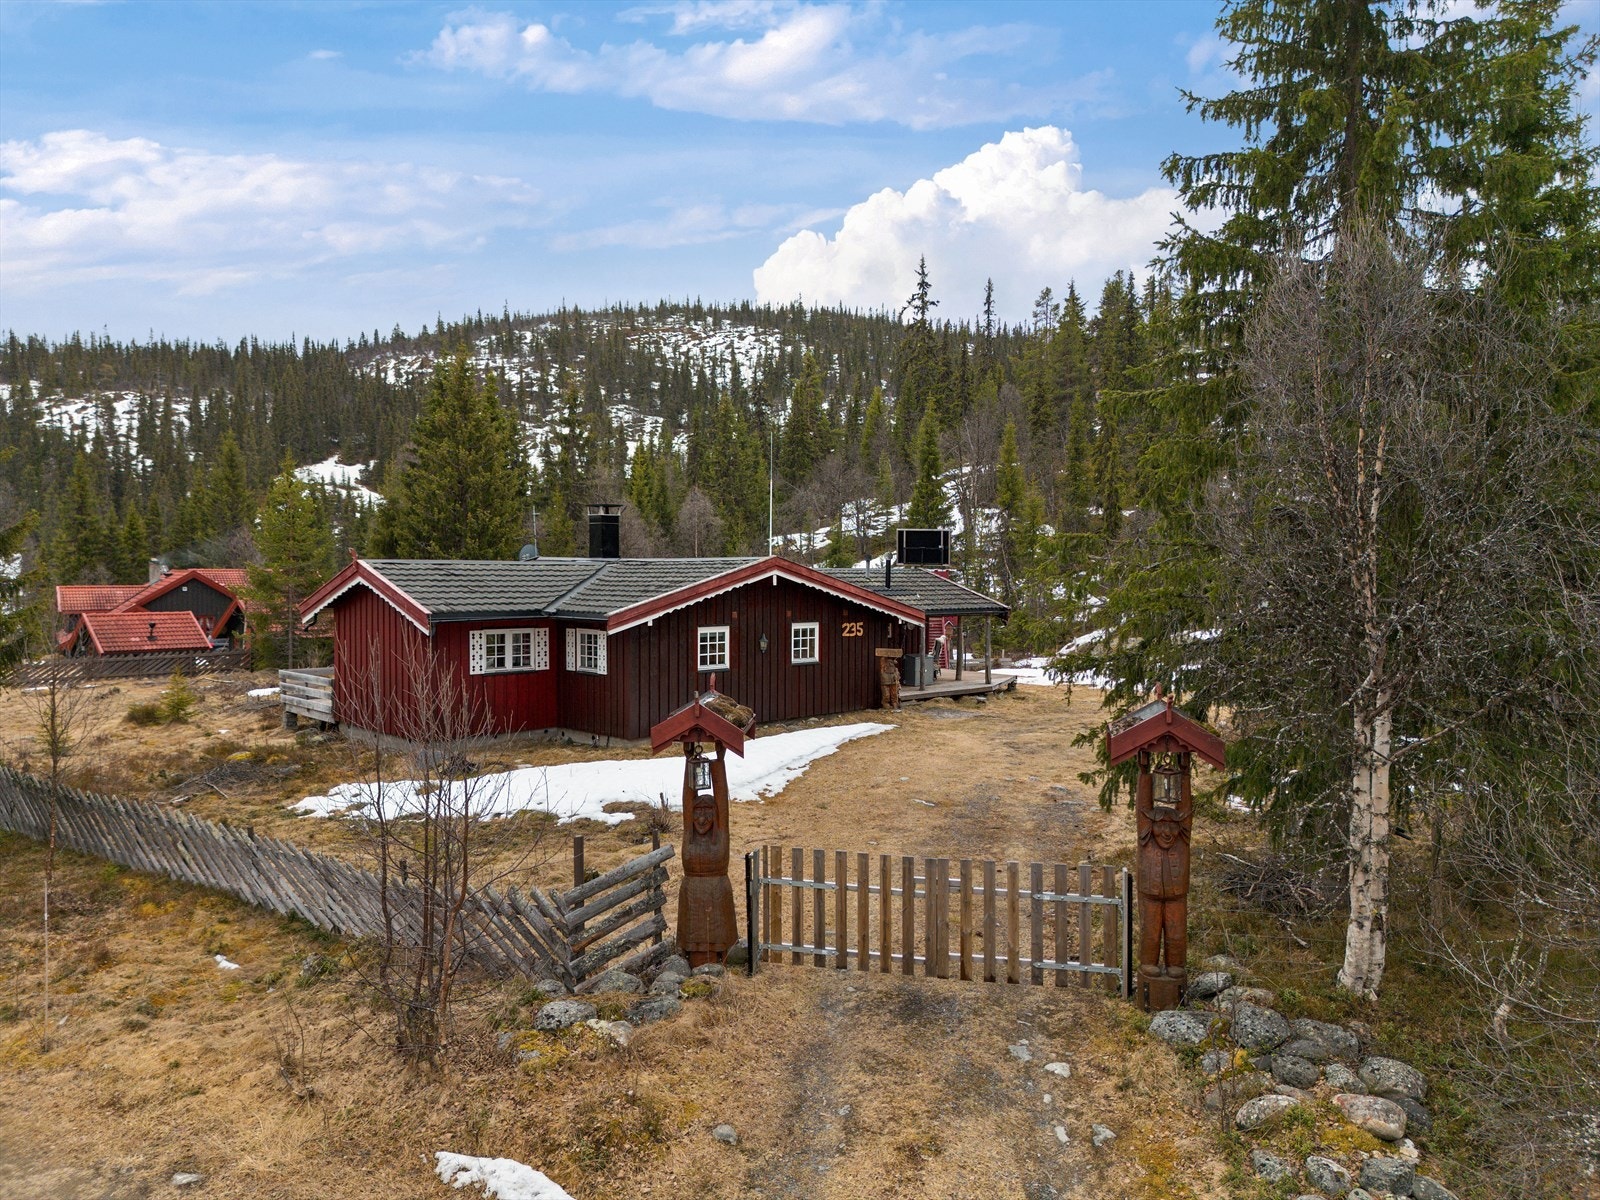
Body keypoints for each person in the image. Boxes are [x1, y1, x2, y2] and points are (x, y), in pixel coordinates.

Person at [1136, 749, 1192, 979]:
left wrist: (1185, 774)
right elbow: (1142, 807)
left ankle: (1175, 963)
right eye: (1161, 825)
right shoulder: (1146, 835)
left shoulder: (1183, 837)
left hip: (1176, 895)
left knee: (1176, 930)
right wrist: (1144, 773)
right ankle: (1149, 962)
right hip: (1150, 894)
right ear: (1151, 825)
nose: (1167, 832)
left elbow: (1185, 809)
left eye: (1172, 826)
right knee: (1150, 930)